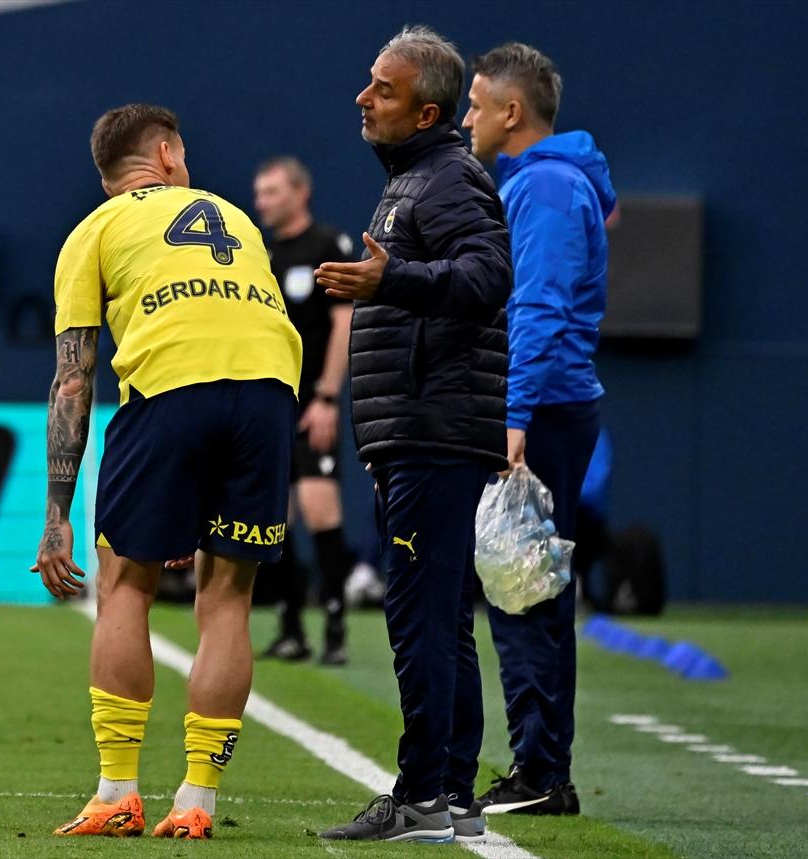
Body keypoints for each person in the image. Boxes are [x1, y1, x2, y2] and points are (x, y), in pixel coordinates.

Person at [29, 104, 302, 841]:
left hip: (171, 389)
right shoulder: (236, 217)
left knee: (125, 584)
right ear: (168, 154)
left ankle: (118, 792)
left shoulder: (94, 231)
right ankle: (197, 800)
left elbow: (73, 380)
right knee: (228, 600)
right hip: (270, 393)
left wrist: (57, 516)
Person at [315, 26, 511, 843]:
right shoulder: (415, 179)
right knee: (440, 616)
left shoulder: (449, 178)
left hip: (436, 427)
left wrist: (390, 276)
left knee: (420, 616)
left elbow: (489, 276)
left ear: (426, 111)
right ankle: (453, 792)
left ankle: (422, 794)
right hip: (419, 428)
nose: (363, 98)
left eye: (384, 89)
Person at [462, 42, 615, 816]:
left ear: (512, 111)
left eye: (477, 105)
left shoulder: (547, 186)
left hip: (541, 409)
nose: (468, 119)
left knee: (522, 591)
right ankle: (543, 766)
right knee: (533, 591)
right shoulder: (548, 179)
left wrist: (512, 413)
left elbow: (539, 306)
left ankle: (541, 772)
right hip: (549, 404)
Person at [252, 155, 357, 666]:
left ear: (300, 192)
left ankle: (335, 628)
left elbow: (343, 323)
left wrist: (328, 396)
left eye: (272, 191)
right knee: (277, 516)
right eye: (260, 193)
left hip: (313, 403)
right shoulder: (260, 255)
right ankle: (290, 626)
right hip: (272, 406)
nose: (262, 202)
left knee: (319, 507)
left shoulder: (327, 246)